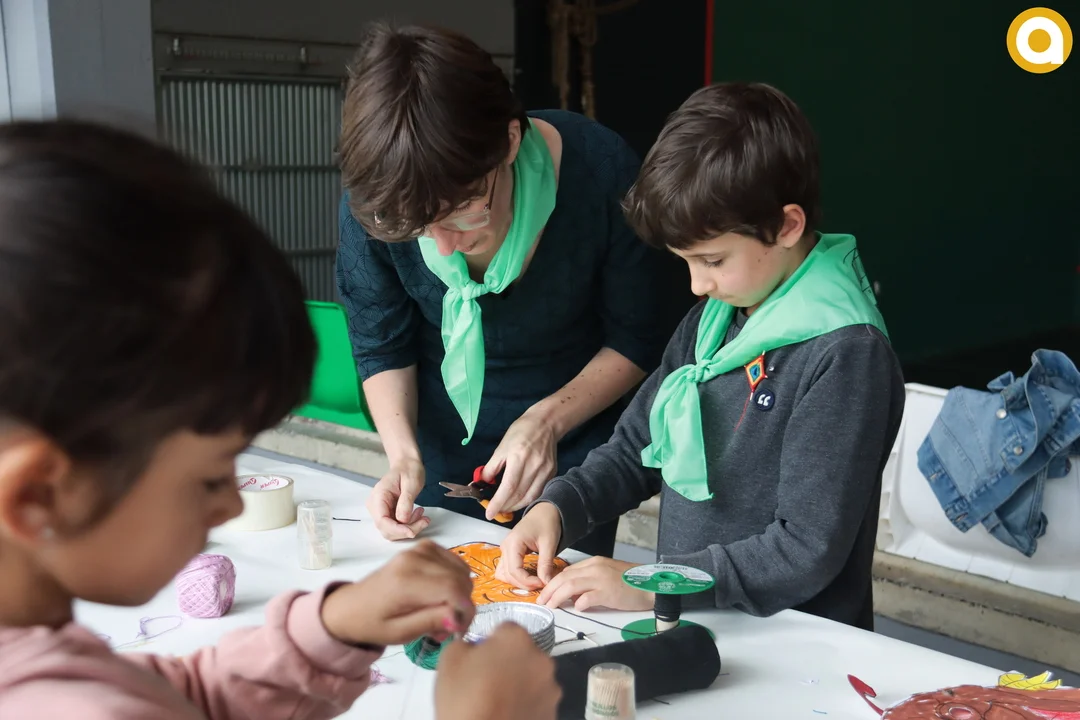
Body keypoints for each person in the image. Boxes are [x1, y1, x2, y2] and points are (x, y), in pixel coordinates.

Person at [0, 119, 560, 720]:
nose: (231, 506)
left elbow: (184, 698)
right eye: (209, 479)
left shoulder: (40, 651)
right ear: (38, 495)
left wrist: (333, 628)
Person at [497, 82, 906, 631]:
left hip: (795, 645)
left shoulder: (846, 354)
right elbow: (635, 447)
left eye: (712, 260)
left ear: (787, 226)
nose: (696, 285)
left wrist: (653, 582)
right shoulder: (716, 317)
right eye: (685, 261)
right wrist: (559, 507)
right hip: (694, 621)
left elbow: (805, 549)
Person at [336, 23, 692, 555]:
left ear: (508, 141)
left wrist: (545, 422)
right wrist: (402, 455)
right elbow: (380, 342)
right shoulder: (384, 203)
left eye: (463, 211)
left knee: (552, 594)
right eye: (420, 229)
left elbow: (640, 337)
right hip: (437, 437)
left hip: (572, 436)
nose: (445, 247)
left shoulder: (602, 174)